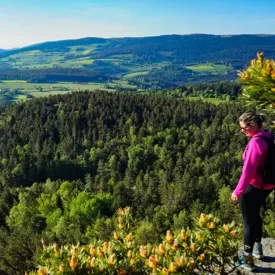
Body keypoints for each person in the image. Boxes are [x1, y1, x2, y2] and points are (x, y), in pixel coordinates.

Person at [231, 111, 275, 271]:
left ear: (254, 125)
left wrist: (237, 191)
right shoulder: (268, 136)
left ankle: (248, 259)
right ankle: (258, 248)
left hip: (254, 186)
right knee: (255, 215)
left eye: (244, 128)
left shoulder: (256, 143)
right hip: (267, 186)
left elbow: (248, 170)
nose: (242, 131)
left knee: (248, 220)